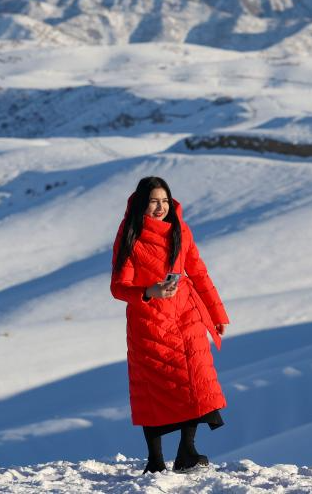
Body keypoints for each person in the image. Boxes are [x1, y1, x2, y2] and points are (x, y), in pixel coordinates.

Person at [110, 176, 230, 473]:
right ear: (141, 203)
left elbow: (198, 272)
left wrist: (217, 315)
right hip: (149, 321)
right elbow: (118, 286)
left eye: (164, 200)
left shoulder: (180, 229)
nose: (160, 207)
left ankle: (187, 451)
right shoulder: (130, 234)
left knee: (195, 381)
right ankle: (155, 459)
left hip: (186, 316)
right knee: (153, 388)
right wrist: (149, 292)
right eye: (153, 201)